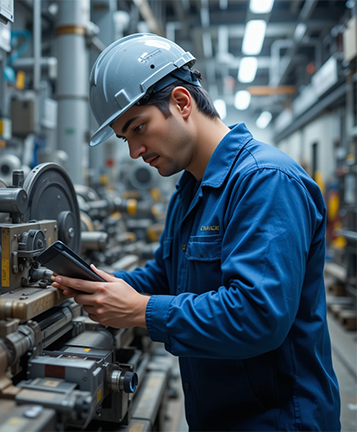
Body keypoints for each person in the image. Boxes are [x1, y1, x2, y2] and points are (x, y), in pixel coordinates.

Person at [51, 33, 341, 431]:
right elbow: (167, 277)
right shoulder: (190, 189)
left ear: (182, 102)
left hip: (277, 420)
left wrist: (140, 311)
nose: (134, 151)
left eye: (138, 128)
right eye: (125, 138)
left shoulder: (266, 181)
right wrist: (103, 284)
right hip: (215, 416)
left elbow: (258, 315)